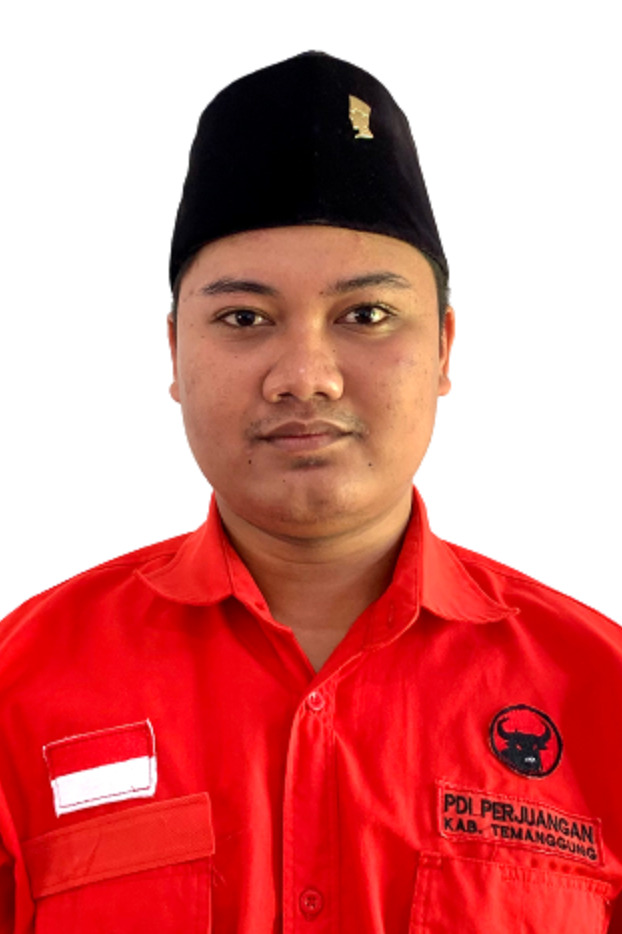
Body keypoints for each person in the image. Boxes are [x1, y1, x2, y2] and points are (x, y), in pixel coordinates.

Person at [0, 50, 621, 933]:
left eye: (366, 315)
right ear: (174, 351)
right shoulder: (20, 687)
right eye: (243, 318)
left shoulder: (600, 691)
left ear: (444, 348)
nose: (306, 376)